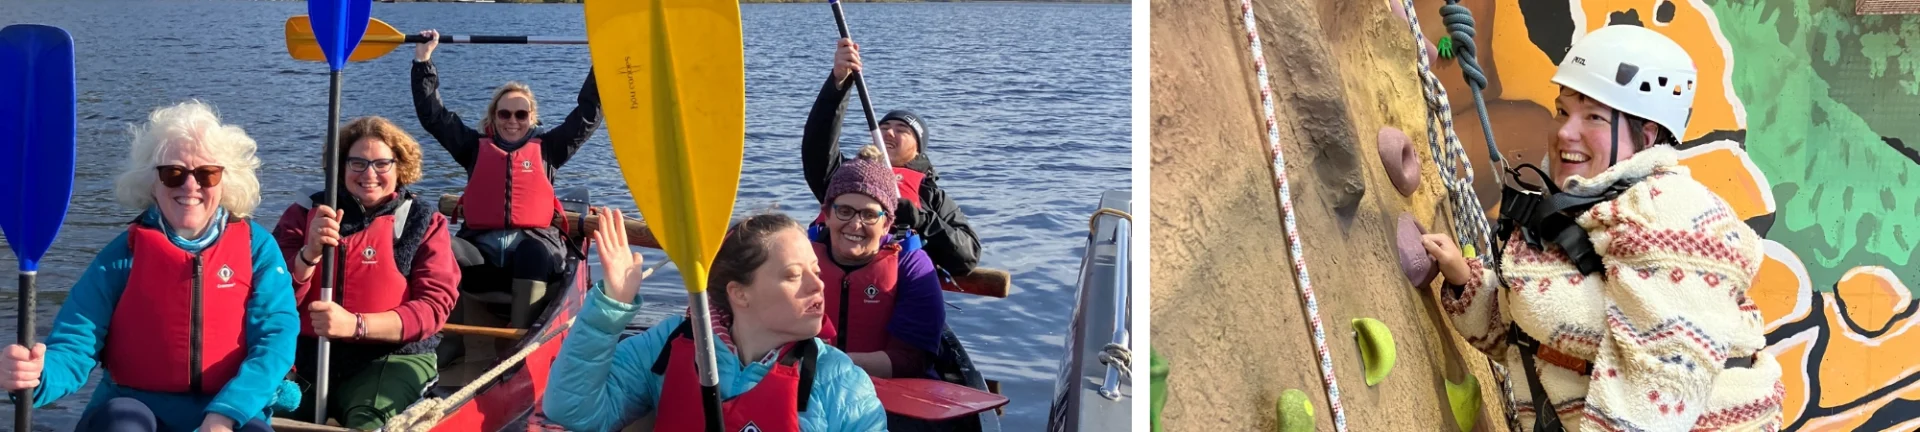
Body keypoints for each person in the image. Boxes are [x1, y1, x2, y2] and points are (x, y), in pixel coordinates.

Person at [1419, 25, 1782, 431]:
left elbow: (1663, 387)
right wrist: (1465, 283)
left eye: (1592, 116)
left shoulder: (1674, 216)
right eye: (1562, 111)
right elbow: (1527, 338)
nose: (1564, 132)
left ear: (1645, 136)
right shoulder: (1578, 209)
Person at [0, 100, 299, 432]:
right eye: (173, 173)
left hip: (232, 408)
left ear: (225, 182)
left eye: (207, 174)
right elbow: (74, 346)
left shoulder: (257, 248)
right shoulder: (120, 255)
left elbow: (275, 340)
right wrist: (35, 375)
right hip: (136, 407)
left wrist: (225, 415)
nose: (190, 185)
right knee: (123, 423)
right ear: (152, 183)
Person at [542, 209, 887, 432]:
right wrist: (611, 307)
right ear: (740, 294)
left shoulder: (839, 380)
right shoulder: (668, 345)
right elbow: (573, 410)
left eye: (815, 270)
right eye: (794, 275)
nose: (818, 284)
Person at [271, 116, 460, 429]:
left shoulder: (422, 221)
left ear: (399, 167)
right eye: (357, 163)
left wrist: (355, 325)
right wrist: (309, 254)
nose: (369, 174)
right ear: (340, 165)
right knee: (268, 416)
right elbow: (271, 295)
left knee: (368, 421)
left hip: (392, 358)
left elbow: (434, 308)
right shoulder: (304, 213)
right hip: (310, 356)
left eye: (381, 164)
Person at [410, 28, 600, 328]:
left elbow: (587, 115)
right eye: (505, 114)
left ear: (531, 118)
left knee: (531, 252)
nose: (512, 121)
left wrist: (601, 62)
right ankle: (450, 337)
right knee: (440, 244)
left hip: (534, 256)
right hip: (481, 258)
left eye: (521, 115)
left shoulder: (550, 149)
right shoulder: (472, 147)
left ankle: (520, 335)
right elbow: (434, 116)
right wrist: (423, 62)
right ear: (493, 117)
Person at [802, 37, 981, 277]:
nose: (888, 131)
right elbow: (817, 145)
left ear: (917, 150)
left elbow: (967, 257)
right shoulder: (845, 178)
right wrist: (839, 83)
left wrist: (922, 220)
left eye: (902, 130)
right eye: (884, 126)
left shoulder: (930, 195)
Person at [811, 146, 947, 379]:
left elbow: (911, 360)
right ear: (828, 214)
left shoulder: (911, 265)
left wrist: (825, 362)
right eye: (844, 211)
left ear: (887, 223)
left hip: (885, 392)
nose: (855, 225)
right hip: (811, 384)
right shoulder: (802, 257)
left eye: (869, 215)